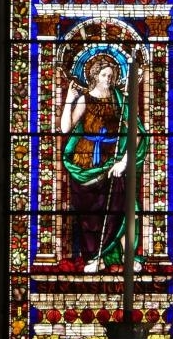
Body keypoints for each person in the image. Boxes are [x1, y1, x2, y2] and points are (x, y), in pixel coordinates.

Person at [60, 51, 149, 274]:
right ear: (94, 76)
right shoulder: (85, 99)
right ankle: (96, 258)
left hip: (112, 164)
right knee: (91, 219)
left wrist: (124, 162)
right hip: (85, 165)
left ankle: (128, 256)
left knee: (124, 209)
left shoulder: (120, 100)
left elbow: (136, 134)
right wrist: (69, 100)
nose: (108, 79)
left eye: (111, 75)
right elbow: (66, 128)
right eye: (104, 75)